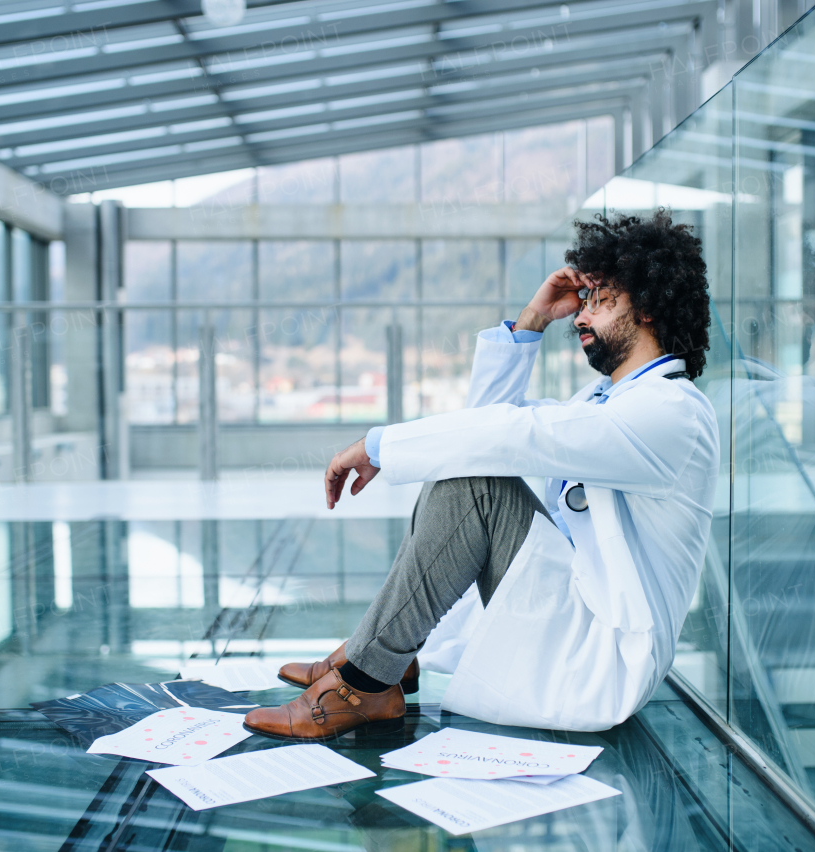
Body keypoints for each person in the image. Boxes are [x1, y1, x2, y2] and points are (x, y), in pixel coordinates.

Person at [242, 210, 720, 740]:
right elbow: (486, 436)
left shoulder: (672, 412)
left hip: (599, 662)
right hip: (565, 618)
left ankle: (363, 680)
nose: (582, 318)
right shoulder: (607, 400)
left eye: (603, 300)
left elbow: (515, 436)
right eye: (585, 301)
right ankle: (379, 657)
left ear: (650, 307)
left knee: (477, 485)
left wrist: (379, 445)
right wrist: (531, 321)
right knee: (471, 472)